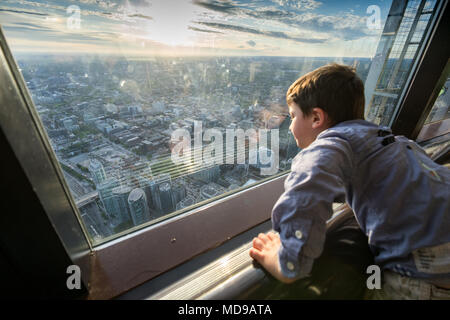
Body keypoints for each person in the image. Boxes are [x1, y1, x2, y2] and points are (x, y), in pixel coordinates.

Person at [249, 63, 450, 299]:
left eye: (293, 116)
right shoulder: (391, 140)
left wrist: (287, 261)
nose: (290, 124)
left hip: (425, 276)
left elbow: (306, 193)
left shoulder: (329, 145)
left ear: (316, 118)